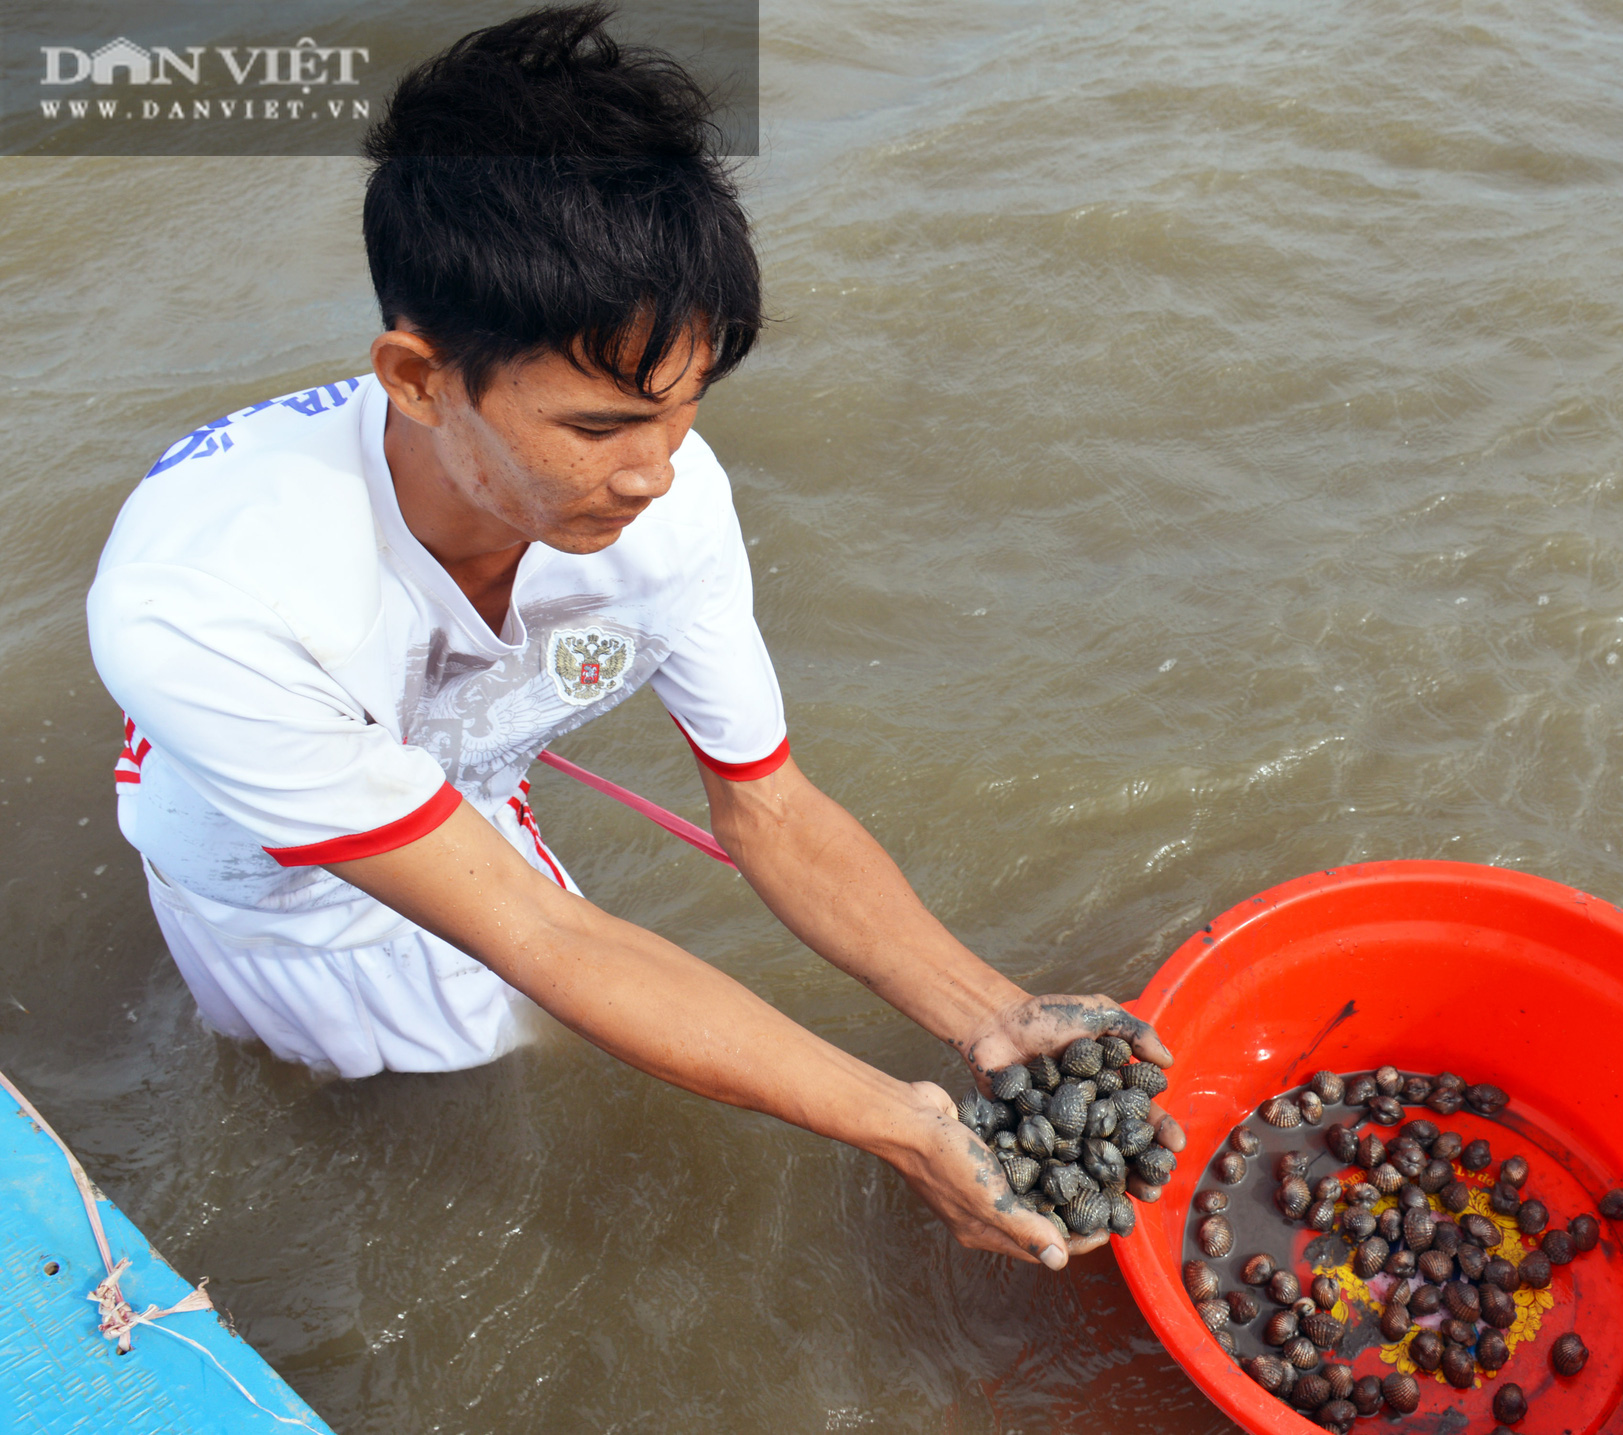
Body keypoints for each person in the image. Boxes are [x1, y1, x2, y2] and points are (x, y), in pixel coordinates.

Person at [86, 4, 1178, 1271]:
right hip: (279, 883)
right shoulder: (214, 602)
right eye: (599, 429)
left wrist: (990, 1011)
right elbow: (547, 937)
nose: (656, 475)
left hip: (460, 786)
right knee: (422, 1069)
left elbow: (768, 806)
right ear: (418, 377)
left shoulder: (669, 495)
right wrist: (897, 1126)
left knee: (513, 1004)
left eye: (684, 408)